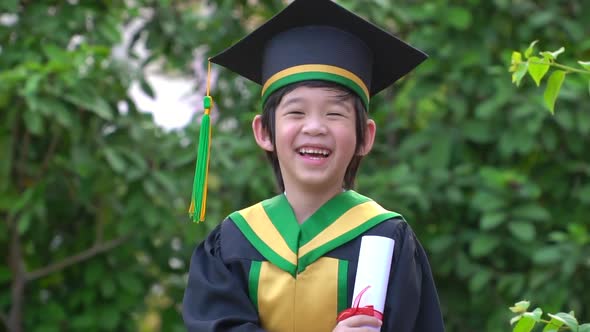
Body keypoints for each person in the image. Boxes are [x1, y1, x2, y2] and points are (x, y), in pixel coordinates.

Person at [182, 0, 445, 331]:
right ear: (264, 132)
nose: (315, 127)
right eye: (296, 112)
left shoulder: (386, 237)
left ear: (365, 137)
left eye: (335, 114)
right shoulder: (233, 243)